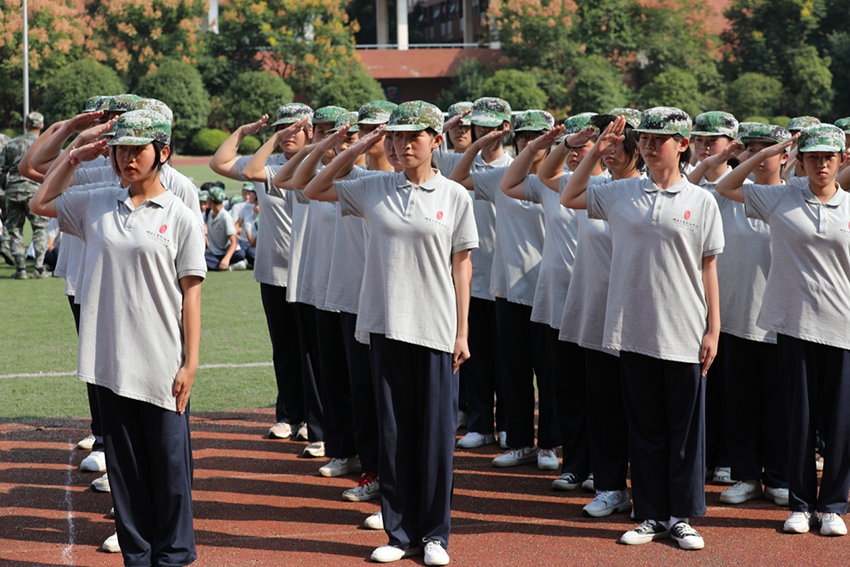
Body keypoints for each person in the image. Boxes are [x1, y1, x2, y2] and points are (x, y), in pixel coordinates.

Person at [29, 109, 206, 566]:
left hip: (162, 364)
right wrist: (76, 154)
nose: (127, 158)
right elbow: (40, 201)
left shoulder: (181, 215)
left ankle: (174, 557)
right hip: (109, 362)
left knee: (170, 472)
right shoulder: (96, 202)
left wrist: (190, 363)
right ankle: (137, 557)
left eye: (138, 150)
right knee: (125, 475)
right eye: (120, 149)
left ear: (162, 153)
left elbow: (192, 295)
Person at [304, 101, 476, 566]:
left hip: (437, 330)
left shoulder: (454, 196)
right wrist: (357, 145)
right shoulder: (373, 187)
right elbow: (310, 186)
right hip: (385, 325)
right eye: (396, 136)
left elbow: (462, 266)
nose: (402, 145)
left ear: (435, 140)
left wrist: (462, 331)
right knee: (395, 435)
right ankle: (400, 534)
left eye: (412, 136)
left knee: (435, 437)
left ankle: (435, 534)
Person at [561, 108, 723, 551]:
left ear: (683, 144)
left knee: (684, 433)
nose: (650, 146)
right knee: (646, 429)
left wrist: (714, 329)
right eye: (645, 139)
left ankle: (680, 517)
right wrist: (596, 149)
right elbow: (569, 195)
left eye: (659, 139)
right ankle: (650, 514)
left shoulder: (701, 200)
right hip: (633, 329)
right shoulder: (620, 192)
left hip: (685, 331)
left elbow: (709, 266)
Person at [715, 123, 850, 537]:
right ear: (801, 160)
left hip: (843, 327)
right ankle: (801, 503)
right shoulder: (781, 197)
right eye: (813, 158)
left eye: (828, 157)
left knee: (840, 422)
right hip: (795, 324)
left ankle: (833, 505)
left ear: (841, 160)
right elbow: (725, 186)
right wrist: (766, 152)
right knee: (799, 421)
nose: (821, 165)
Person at [541, 109, 643, 515]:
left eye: (617, 142)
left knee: (641, 411)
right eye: (605, 142)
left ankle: (648, 492)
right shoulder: (597, 187)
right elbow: (553, 180)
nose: (609, 149)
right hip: (596, 314)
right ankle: (610, 486)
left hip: (638, 317)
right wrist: (577, 146)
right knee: (603, 406)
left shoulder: (650, 191)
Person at [210, 104, 314, 443]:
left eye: (295, 128)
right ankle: (289, 416)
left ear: (310, 130)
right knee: (284, 349)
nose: (288, 134)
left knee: (313, 351)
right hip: (273, 271)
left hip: (311, 272)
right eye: (283, 128)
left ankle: (315, 418)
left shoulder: (319, 163)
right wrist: (245, 132)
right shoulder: (265, 163)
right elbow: (219, 163)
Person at [688, 110, 740, 486]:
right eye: (700, 141)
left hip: (733, 301)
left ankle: (727, 457)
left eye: (714, 141)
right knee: (699, 385)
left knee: (731, 390)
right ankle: (703, 456)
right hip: (693, 302)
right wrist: (704, 165)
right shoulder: (686, 184)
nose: (706, 147)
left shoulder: (742, 184)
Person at [1, 112, 47, 278]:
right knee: (40, 228)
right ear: (42, 126)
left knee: (15, 230)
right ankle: (39, 268)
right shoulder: (46, 144)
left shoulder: (12, 144)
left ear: (26, 125)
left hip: (13, 190)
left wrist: (6, 188)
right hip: (36, 191)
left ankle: (20, 269)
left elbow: (1, 170)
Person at [204, 186, 247, 271]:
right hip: (214, 252)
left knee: (239, 254)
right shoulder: (210, 213)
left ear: (210, 200)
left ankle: (226, 266)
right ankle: (232, 265)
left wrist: (226, 259)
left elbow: (234, 242)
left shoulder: (225, 217)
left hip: (225, 253)